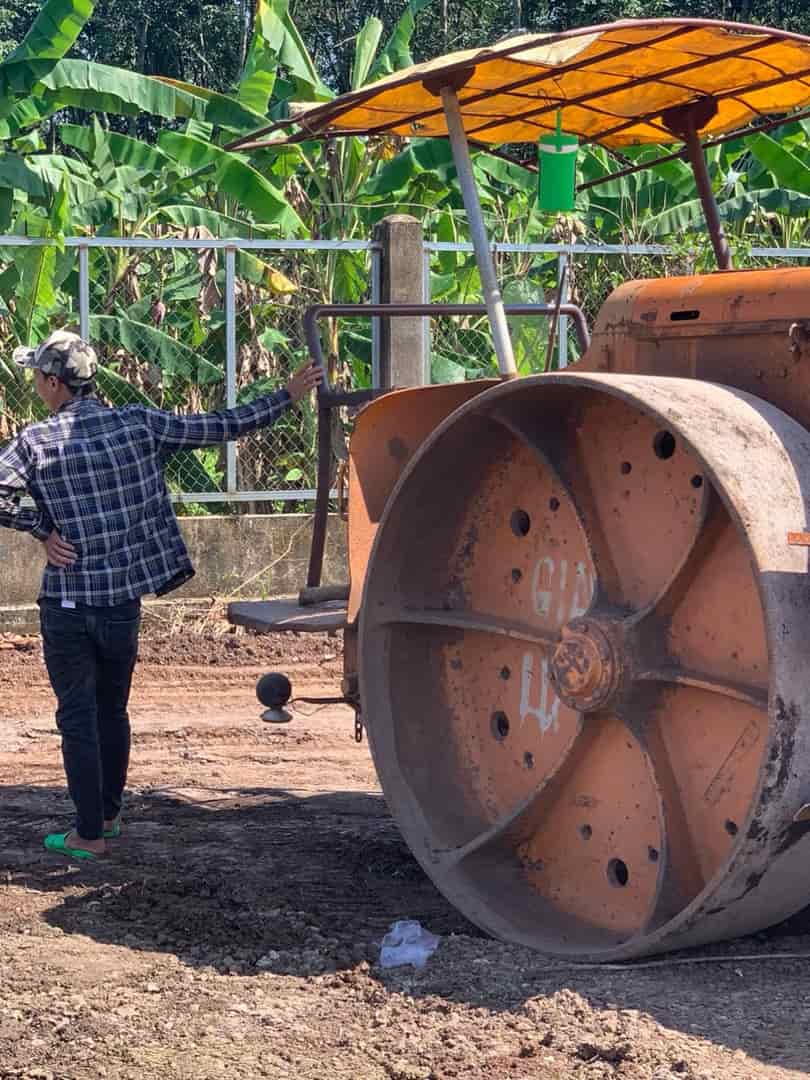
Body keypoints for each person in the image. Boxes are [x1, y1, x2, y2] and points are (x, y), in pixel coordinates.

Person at [0, 329, 323, 860]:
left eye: (37, 375)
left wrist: (40, 529)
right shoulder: (137, 423)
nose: (36, 383)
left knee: (76, 717)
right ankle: (108, 813)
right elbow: (221, 426)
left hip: (68, 604)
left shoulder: (36, 443)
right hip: (122, 602)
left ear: (53, 382)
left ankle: (88, 836)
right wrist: (286, 396)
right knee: (113, 710)